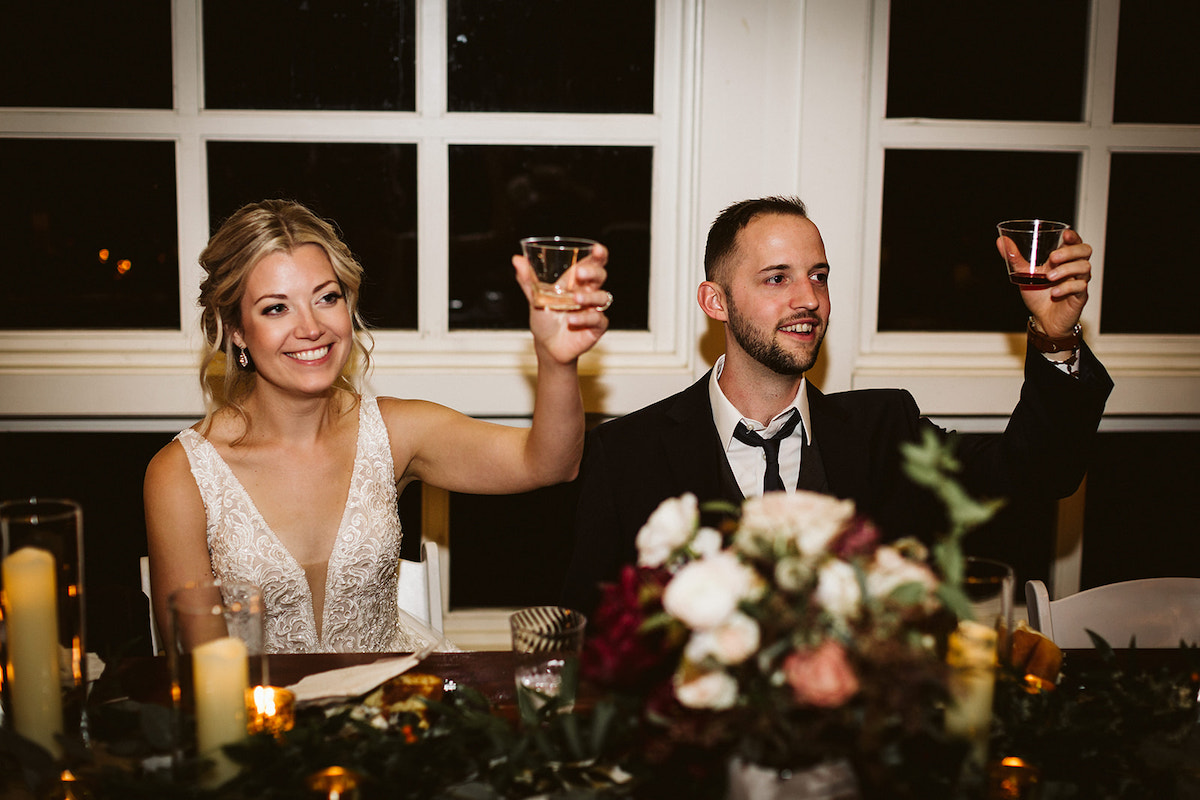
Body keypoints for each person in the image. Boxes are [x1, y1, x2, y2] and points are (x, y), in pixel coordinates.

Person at [562, 196, 1112, 616]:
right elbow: (593, 633)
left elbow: (1037, 473)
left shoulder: (885, 430)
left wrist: (1055, 336)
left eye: (818, 276)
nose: (809, 299)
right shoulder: (626, 454)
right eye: (777, 278)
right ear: (716, 301)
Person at [145, 199, 611, 653]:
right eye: (276, 308)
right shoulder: (181, 474)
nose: (311, 328)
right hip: (258, 720)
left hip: (398, 709)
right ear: (237, 331)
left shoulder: (395, 430)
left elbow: (550, 463)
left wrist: (555, 361)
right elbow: (198, 670)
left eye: (327, 298)